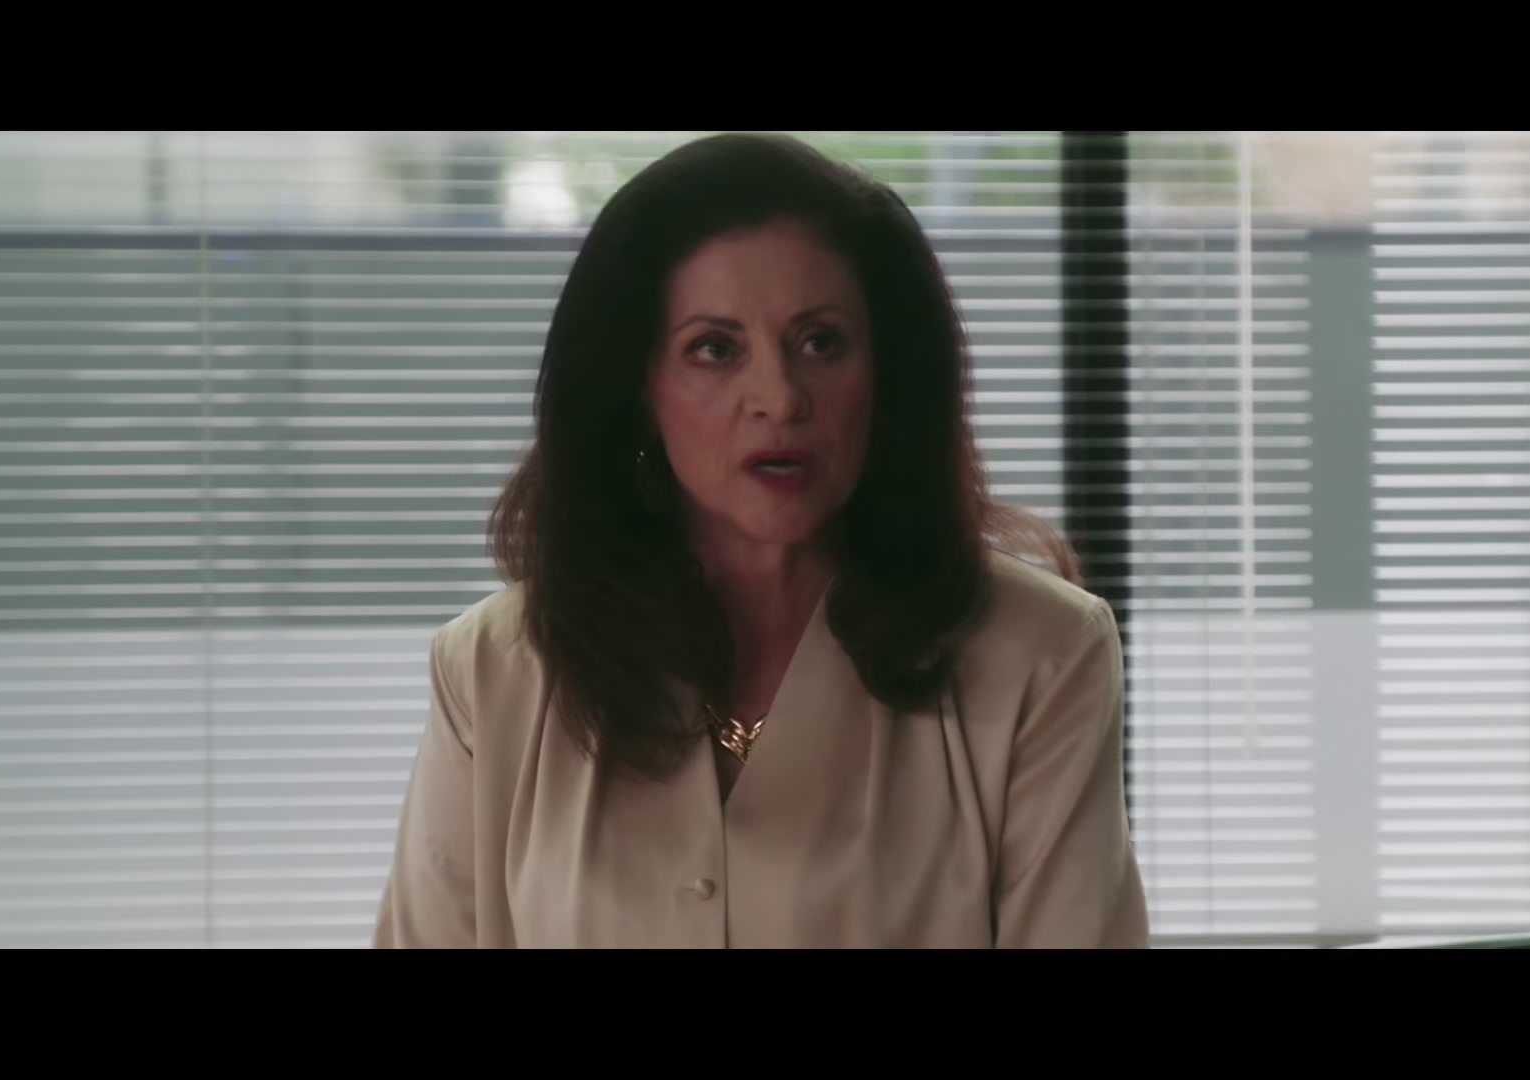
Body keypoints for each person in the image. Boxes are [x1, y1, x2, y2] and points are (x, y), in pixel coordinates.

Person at [373, 132, 1149, 948]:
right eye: (715, 349)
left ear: (886, 374)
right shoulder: (494, 672)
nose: (779, 398)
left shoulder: (1040, 656)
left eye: (821, 343)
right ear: (640, 387)